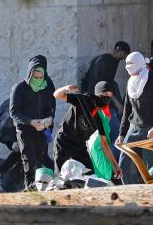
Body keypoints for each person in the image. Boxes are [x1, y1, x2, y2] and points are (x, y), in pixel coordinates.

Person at [116, 52, 153, 184]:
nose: (128, 66)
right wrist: (122, 134)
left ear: (139, 64)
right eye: (126, 64)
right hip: (133, 128)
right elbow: (127, 110)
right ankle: (128, 192)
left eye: (131, 63)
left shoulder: (152, 78)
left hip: (150, 130)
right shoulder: (130, 82)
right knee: (123, 164)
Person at [9, 55, 56, 189]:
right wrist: (30, 121)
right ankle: (29, 191)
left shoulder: (48, 87)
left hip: (42, 130)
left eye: (41, 76)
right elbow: (13, 112)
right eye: (35, 76)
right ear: (30, 73)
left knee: (39, 164)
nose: (38, 79)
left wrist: (49, 120)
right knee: (29, 164)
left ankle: (37, 190)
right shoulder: (19, 88)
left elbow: (51, 108)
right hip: (25, 130)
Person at [52, 82, 115, 170]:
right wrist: (66, 88)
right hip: (64, 142)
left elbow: (104, 143)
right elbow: (56, 95)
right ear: (98, 93)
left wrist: (114, 166)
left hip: (81, 147)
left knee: (89, 176)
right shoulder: (82, 100)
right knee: (62, 178)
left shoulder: (100, 117)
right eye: (105, 94)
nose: (107, 97)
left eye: (110, 95)